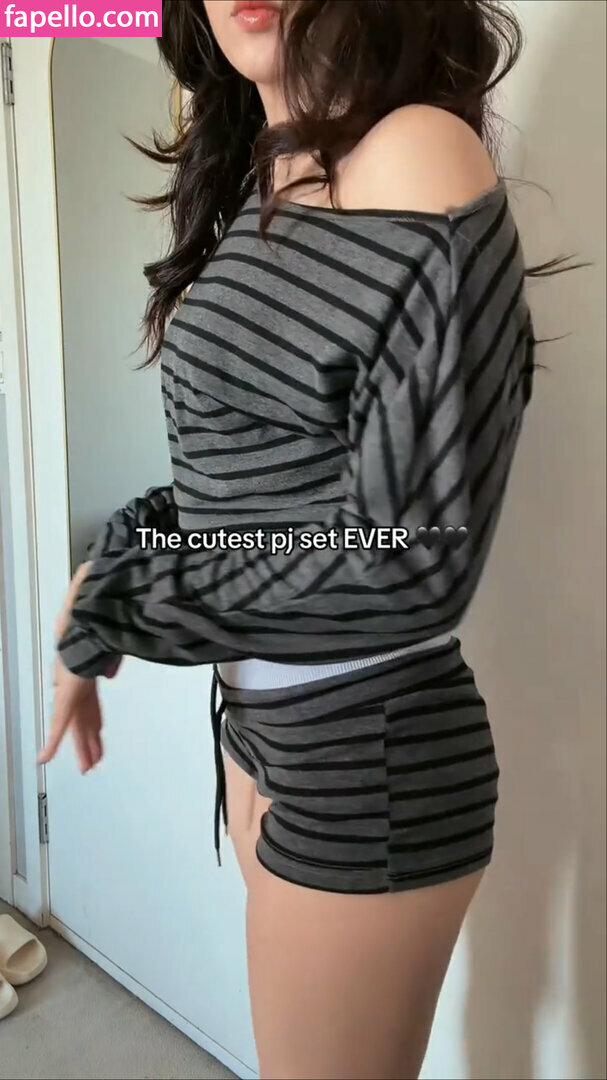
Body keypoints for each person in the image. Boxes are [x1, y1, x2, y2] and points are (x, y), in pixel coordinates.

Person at [39, 3, 569, 1077]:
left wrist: (131, 601)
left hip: (365, 749)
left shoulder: (415, 149)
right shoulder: (263, 182)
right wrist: (119, 557)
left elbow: (412, 556)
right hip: (264, 728)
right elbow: (237, 484)